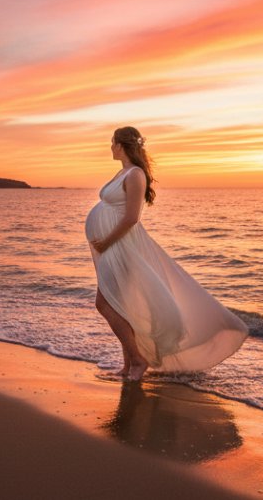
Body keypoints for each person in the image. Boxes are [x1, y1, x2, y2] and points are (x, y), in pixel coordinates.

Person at [85, 126, 248, 381]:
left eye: (112, 142)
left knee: (104, 303)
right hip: (111, 248)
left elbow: (131, 218)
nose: (110, 146)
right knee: (120, 305)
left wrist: (106, 242)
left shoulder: (136, 175)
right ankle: (128, 365)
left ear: (121, 145)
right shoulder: (123, 172)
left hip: (122, 247)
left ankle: (138, 360)